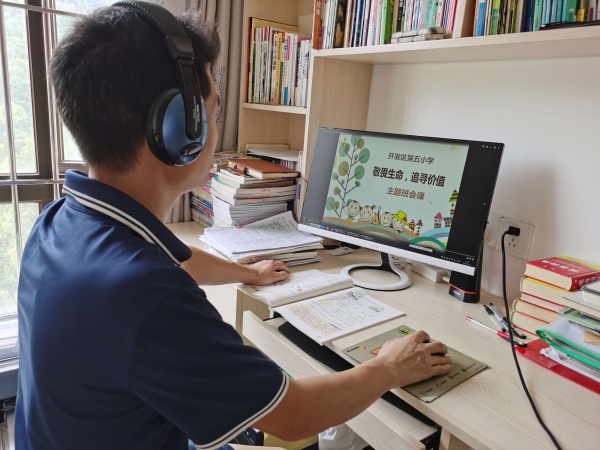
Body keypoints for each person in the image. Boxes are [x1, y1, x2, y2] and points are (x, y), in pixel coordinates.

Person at [16, 2, 452, 450]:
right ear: (178, 130)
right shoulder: (149, 296)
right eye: (212, 113)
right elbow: (296, 416)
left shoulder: (60, 222)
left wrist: (248, 273)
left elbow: (173, 264)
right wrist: (389, 367)